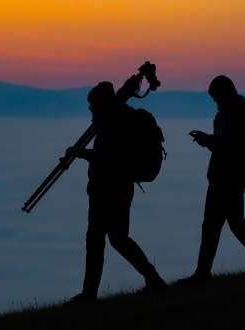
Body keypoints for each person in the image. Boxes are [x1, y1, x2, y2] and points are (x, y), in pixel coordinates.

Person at [67, 82, 166, 303]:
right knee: (118, 239)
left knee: (99, 240)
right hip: (117, 188)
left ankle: (89, 294)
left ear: (101, 104)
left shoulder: (114, 123)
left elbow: (111, 158)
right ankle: (153, 278)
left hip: (109, 190)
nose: (91, 110)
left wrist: (83, 154)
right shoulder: (116, 119)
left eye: (93, 106)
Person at [179, 75, 245, 283]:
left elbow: (231, 146)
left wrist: (208, 140)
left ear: (225, 95)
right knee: (227, 224)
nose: (216, 103)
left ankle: (204, 273)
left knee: (220, 225)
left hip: (228, 178)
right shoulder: (233, 114)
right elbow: (225, 145)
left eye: (216, 98)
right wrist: (208, 141)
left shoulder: (239, 116)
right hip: (224, 177)